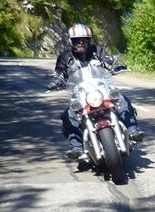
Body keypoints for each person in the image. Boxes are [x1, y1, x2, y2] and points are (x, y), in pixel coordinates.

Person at [48, 23, 144, 160]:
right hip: (80, 93)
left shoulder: (96, 51)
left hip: (101, 88)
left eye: (84, 39)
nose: (81, 42)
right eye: (77, 40)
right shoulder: (65, 57)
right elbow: (58, 73)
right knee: (67, 115)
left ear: (89, 40)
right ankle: (76, 147)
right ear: (71, 41)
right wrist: (56, 81)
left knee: (122, 99)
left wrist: (113, 65)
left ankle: (133, 131)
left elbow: (107, 61)